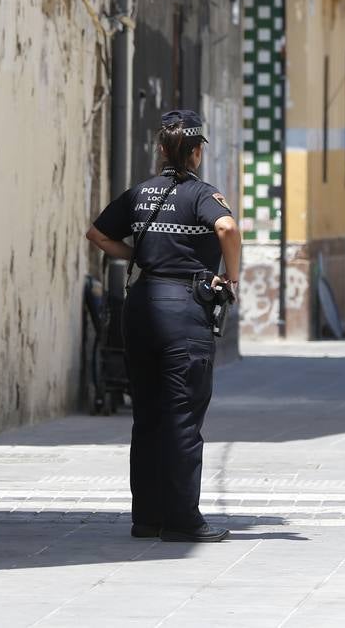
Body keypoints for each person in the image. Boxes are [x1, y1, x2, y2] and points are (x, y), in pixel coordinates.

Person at [85, 109, 242, 542]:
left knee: (148, 417)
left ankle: (148, 517)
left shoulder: (140, 194)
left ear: (160, 148)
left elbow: (96, 234)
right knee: (183, 418)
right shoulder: (201, 194)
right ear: (195, 152)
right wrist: (231, 277)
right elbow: (227, 227)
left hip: (141, 308)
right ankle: (182, 520)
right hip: (185, 311)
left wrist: (137, 257)